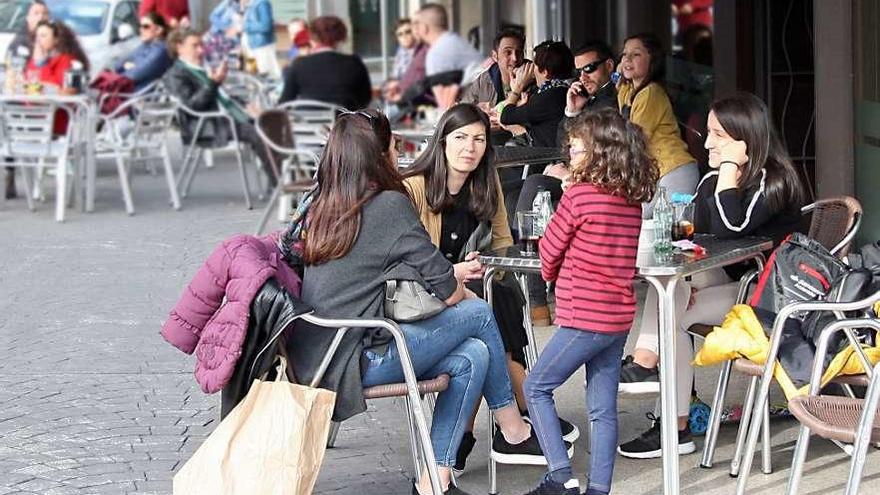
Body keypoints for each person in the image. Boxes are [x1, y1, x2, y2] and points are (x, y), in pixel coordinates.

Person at [290, 110, 550, 495]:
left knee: (473, 356)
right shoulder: (388, 205)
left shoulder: (325, 203)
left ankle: (434, 482)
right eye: (394, 146)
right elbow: (446, 290)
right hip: (357, 355)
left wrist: (449, 282)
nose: (400, 154)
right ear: (376, 155)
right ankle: (513, 427)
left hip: (320, 352)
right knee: (478, 311)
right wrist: (458, 285)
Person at [617, 93, 807, 459]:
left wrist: (729, 171)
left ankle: (669, 415)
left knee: (673, 310)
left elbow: (731, 225)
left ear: (743, 139)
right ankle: (649, 371)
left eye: (718, 134)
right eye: (708, 132)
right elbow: (696, 235)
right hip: (739, 284)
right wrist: (688, 277)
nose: (707, 142)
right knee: (670, 283)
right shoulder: (711, 182)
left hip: (771, 297)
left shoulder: (774, 181)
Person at [402, 103, 578, 474]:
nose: (470, 147)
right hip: (424, 298)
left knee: (500, 298)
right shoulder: (414, 187)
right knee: (489, 310)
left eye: (479, 138)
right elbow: (405, 264)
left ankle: (473, 431)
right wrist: (453, 272)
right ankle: (524, 406)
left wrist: (490, 270)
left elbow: (501, 241)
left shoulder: (486, 180)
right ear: (442, 140)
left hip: (475, 287)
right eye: (461, 137)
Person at [522, 108, 657, 495]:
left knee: (535, 387)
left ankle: (561, 476)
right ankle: (599, 489)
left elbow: (549, 253)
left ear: (597, 154)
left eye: (576, 149)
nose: (570, 155)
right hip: (617, 319)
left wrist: (551, 272)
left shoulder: (578, 196)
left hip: (583, 316)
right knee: (602, 408)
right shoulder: (630, 202)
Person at [512, 39, 619, 325]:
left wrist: (574, 174)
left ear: (609, 66)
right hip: (578, 176)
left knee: (536, 190)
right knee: (530, 190)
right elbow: (564, 147)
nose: (583, 77)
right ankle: (536, 295)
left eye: (590, 69)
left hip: (605, 180)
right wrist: (571, 111)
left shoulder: (615, 100)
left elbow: (613, 152)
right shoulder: (588, 98)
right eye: (578, 72)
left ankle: (540, 297)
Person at [162, 28, 275, 187]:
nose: (201, 50)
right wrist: (213, 83)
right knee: (259, 133)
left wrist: (247, 106)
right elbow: (193, 106)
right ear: (179, 47)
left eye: (201, 45)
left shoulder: (200, 68)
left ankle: (290, 179)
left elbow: (224, 97)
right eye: (195, 46)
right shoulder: (176, 74)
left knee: (276, 124)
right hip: (208, 124)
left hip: (229, 116)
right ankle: (279, 183)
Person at [616, 33, 700, 218]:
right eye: (624, 54)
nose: (627, 59)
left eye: (636, 54)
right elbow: (621, 93)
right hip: (657, 173)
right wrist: (619, 74)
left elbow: (633, 140)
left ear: (652, 60)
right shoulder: (629, 91)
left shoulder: (651, 93)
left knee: (672, 236)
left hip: (674, 171)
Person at [4, 0, 50, 200]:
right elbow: (15, 77)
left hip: (49, 105)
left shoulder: (54, 40)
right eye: (36, 13)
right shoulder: (20, 43)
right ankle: (10, 172)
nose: (40, 17)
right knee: (8, 124)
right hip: (22, 106)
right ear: (28, 18)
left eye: (44, 13)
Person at [278, 16, 371, 110]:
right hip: (343, 121)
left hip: (307, 122)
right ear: (340, 38)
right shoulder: (354, 63)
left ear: (312, 38)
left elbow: (285, 102)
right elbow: (365, 98)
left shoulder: (299, 65)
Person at [496, 40, 573, 148]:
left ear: (545, 72)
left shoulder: (551, 96)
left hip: (545, 157)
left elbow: (506, 116)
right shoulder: (564, 89)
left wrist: (517, 89)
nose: (532, 69)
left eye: (535, 64)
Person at [24, 21, 90, 135]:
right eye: (37, 36)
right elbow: (27, 81)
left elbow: (56, 90)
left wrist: (41, 64)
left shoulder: (68, 61)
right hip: (32, 116)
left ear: (56, 40)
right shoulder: (36, 58)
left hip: (54, 122)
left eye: (43, 36)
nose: (38, 40)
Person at [413, 3, 482, 105]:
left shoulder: (436, 54)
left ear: (424, 27)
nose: (414, 28)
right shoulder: (456, 41)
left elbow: (445, 105)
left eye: (416, 23)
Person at [459, 28, 526, 106]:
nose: (515, 58)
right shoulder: (484, 81)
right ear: (495, 56)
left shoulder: (534, 77)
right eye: (508, 52)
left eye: (519, 52)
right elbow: (464, 110)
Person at [114, 12, 173, 91]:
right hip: (129, 94)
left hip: (142, 98)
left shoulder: (161, 50)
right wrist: (125, 65)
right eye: (140, 26)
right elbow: (118, 64)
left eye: (146, 27)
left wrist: (132, 65)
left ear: (159, 30)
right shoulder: (145, 45)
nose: (141, 30)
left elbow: (134, 75)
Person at [241, 0, 280, 78]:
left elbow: (266, 26)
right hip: (253, 45)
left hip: (261, 45)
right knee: (255, 73)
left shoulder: (262, 3)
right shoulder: (251, 4)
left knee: (268, 73)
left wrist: (245, 26)